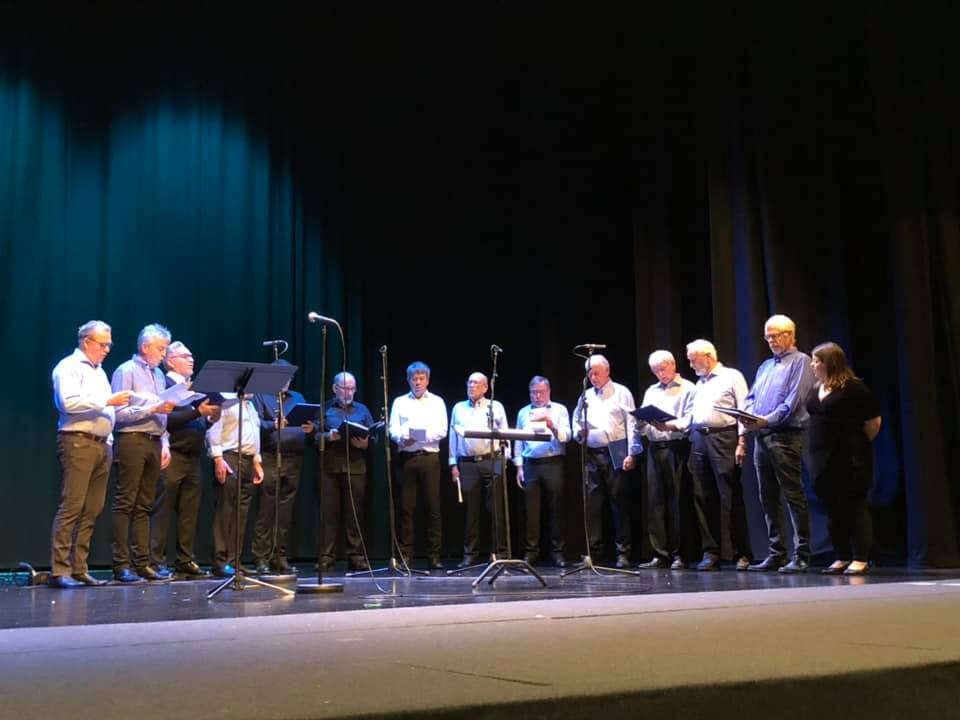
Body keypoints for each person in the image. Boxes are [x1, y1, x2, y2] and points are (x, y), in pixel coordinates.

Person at [49, 321, 132, 588]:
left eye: (109, 344)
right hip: (78, 441)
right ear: (86, 342)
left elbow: (108, 411)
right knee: (72, 505)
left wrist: (109, 439)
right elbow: (68, 402)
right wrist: (108, 401)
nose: (107, 349)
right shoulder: (69, 367)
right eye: (103, 344)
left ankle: (79, 567)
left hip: (101, 445)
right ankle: (60, 570)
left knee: (93, 508)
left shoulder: (100, 372)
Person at [659, 340, 753, 571]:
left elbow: (745, 410)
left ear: (708, 356)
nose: (690, 365)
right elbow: (692, 417)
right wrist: (669, 425)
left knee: (729, 495)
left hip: (724, 437)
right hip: (699, 439)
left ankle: (741, 552)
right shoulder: (699, 384)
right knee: (703, 497)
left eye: (693, 360)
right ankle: (711, 553)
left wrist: (742, 441)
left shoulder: (732, 376)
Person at [738, 315, 815, 574]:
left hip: (785, 436)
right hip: (762, 437)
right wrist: (749, 416)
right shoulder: (765, 366)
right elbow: (751, 397)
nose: (770, 340)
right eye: (767, 336)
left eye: (775, 335)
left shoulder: (801, 361)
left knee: (793, 495)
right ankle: (777, 553)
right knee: (768, 497)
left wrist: (765, 420)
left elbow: (793, 402)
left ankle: (802, 554)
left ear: (790, 335)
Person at [806, 342, 881, 576]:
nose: (812, 365)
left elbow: (873, 422)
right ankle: (841, 556)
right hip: (822, 459)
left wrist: (857, 444)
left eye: (816, 361)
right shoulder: (816, 389)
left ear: (830, 363)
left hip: (850, 458)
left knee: (854, 506)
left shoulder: (853, 388)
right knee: (833, 509)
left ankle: (860, 558)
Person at [110, 323, 177, 583]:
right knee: (126, 503)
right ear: (145, 347)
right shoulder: (126, 370)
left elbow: (164, 413)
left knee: (145, 505)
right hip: (132, 439)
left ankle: (142, 563)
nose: (164, 354)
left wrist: (165, 442)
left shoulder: (159, 374)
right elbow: (118, 414)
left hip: (154, 441)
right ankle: (121, 564)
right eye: (160, 348)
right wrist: (152, 409)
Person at [150, 341, 220, 579]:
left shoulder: (192, 389)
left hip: (193, 456)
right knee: (163, 510)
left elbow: (195, 420)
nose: (191, 360)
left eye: (192, 356)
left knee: (189, 512)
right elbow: (167, 419)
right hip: (173, 453)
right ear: (170, 361)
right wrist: (197, 412)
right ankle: (155, 561)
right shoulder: (165, 384)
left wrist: (209, 418)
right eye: (185, 356)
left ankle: (185, 560)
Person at [572, 354, 642, 568]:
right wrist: (579, 432)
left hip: (616, 450)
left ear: (607, 371)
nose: (593, 378)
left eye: (597, 373)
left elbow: (632, 422)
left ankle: (623, 552)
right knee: (592, 505)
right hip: (592, 453)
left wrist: (632, 452)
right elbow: (576, 420)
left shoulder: (622, 392)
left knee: (619, 503)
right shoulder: (586, 396)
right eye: (590, 374)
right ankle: (594, 553)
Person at [629, 351, 695, 570]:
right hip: (654, 448)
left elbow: (690, 419)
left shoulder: (688, 388)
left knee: (677, 501)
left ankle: (680, 554)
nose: (660, 374)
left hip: (676, 447)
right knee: (655, 502)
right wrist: (640, 422)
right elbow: (644, 424)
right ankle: (659, 554)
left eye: (663, 369)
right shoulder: (651, 391)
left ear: (673, 365)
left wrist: (669, 425)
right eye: (656, 371)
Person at [251, 359, 313, 575]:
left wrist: (311, 428)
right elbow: (255, 423)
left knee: (285, 511)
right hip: (270, 456)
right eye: (282, 377)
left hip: (294, 458)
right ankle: (261, 557)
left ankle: (280, 556)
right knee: (266, 509)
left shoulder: (298, 397)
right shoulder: (262, 395)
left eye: (289, 377)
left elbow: (308, 421)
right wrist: (273, 424)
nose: (287, 381)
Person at [388, 361, 447, 569]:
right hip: (407, 458)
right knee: (406, 508)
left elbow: (442, 429)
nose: (418, 382)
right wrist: (403, 438)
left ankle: (434, 556)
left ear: (427, 380)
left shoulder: (437, 402)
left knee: (433, 507)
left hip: (429, 458)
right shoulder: (399, 402)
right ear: (408, 380)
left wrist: (422, 436)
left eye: (421, 378)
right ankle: (406, 555)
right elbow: (393, 429)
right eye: (414, 379)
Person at [449, 372, 511, 567]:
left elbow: (505, 432)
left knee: (496, 509)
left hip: (492, 460)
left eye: (476, 383)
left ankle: (500, 553)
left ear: (485, 388)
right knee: (471, 511)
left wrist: (506, 459)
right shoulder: (458, 408)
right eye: (469, 382)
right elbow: (453, 436)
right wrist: (453, 463)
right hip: (467, 463)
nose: (471, 386)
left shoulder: (495, 406)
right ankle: (470, 553)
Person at [317, 371, 375, 571]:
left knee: (355, 514)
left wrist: (366, 443)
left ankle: (356, 556)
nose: (349, 392)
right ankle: (326, 556)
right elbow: (312, 435)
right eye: (344, 388)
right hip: (330, 468)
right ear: (335, 388)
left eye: (352, 388)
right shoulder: (324, 408)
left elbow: (373, 436)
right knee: (328, 514)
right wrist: (327, 436)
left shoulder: (362, 409)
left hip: (356, 468)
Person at [513, 375, 570, 567]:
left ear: (549, 392)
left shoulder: (560, 409)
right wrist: (519, 466)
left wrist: (552, 426)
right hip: (531, 464)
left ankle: (557, 552)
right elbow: (518, 440)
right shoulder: (523, 412)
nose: (537, 396)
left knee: (556, 508)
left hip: (553, 462)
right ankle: (531, 552)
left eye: (541, 392)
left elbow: (567, 436)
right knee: (531, 510)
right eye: (533, 392)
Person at [206, 393, 265, 576]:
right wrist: (218, 458)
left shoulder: (250, 406)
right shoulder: (226, 402)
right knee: (225, 511)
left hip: (248, 460)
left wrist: (256, 461)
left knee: (241, 513)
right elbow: (214, 430)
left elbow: (254, 434)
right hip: (229, 457)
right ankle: (220, 561)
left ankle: (234, 560)